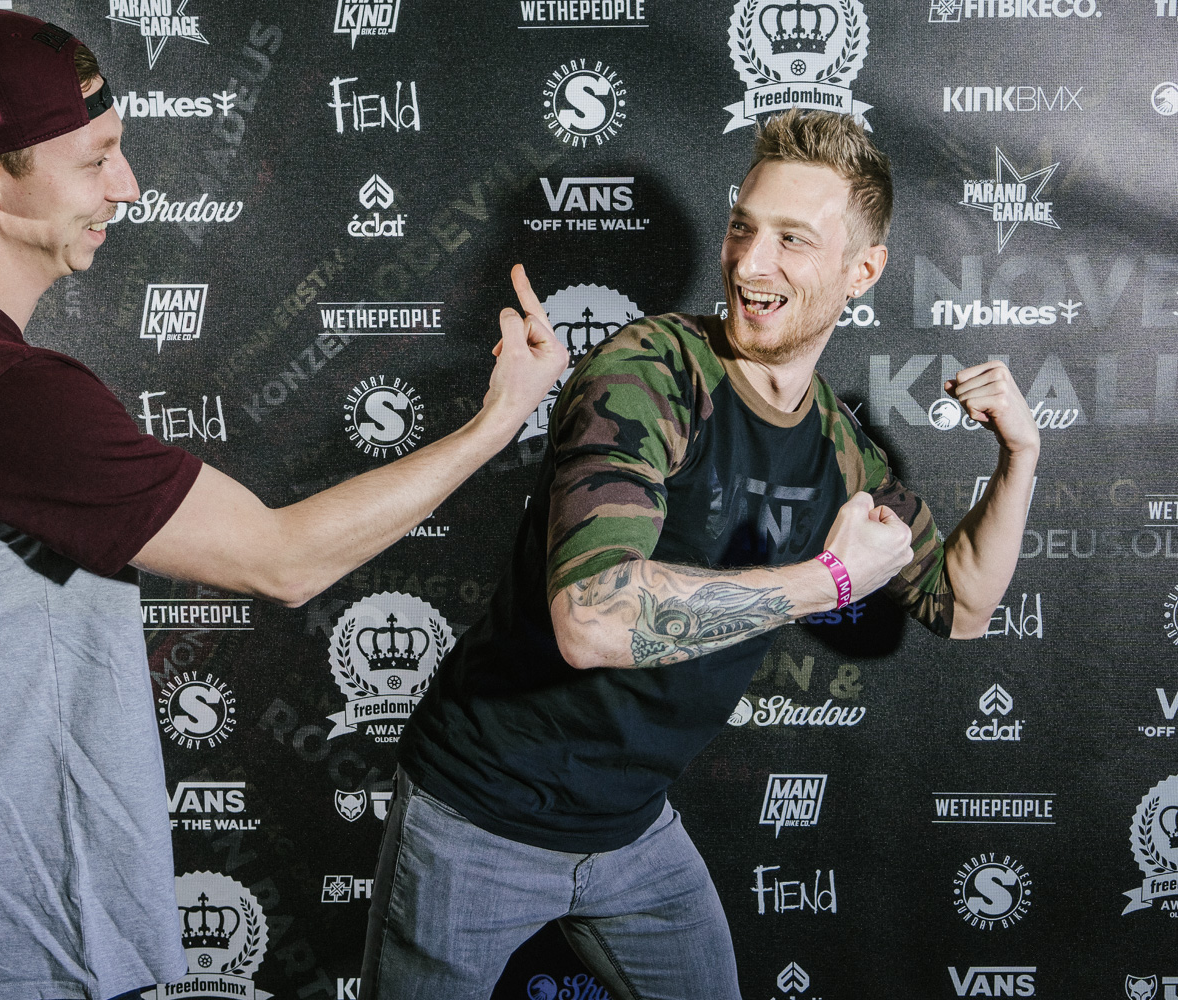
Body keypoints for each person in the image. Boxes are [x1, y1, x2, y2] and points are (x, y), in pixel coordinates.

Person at [0, 9, 566, 1000]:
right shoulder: (1, 391)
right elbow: (284, 559)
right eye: (96, 161)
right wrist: (494, 422)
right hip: (18, 939)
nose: (125, 188)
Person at [366, 108, 1041, 1000]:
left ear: (861, 270)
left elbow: (962, 606)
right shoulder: (651, 371)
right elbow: (592, 619)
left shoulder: (842, 451)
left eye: (793, 240)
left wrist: (1020, 456)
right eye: (743, 228)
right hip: (479, 820)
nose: (750, 264)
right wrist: (828, 581)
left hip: (634, 834)